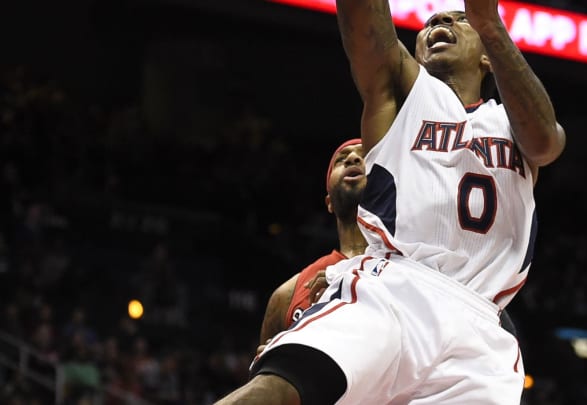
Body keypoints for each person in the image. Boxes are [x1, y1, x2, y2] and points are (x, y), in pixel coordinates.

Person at [215, 0, 565, 403]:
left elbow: (545, 143)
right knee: (279, 389)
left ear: (488, 56)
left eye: (458, 20)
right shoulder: (405, 93)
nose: (441, 21)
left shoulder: (513, 119)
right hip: (398, 288)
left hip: (483, 325)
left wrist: (488, 22)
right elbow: (367, 29)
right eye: (432, 20)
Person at [258, 138, 369, 346]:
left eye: (365, 156)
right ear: (329, 204)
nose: (353, 158)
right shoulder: (286, 296)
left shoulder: (418, 269)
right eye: (341, 160)